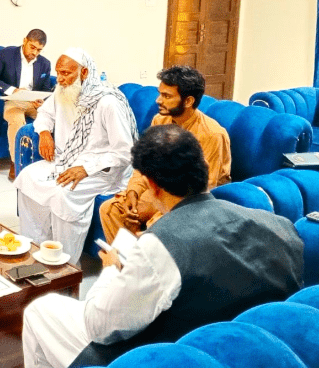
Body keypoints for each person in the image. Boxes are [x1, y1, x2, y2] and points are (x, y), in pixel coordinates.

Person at [22, 125, 303, 368]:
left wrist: (111, 271)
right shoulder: (281, 226)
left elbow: (100, 329)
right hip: (254, 351)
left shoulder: (161, 246)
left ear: (152, 185)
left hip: (172, 355)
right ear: (203, 170)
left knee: (41, 309)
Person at [14, 47, 137, 265]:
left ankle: (66, 263)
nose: (60, 79)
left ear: (84, 73)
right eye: (58, 72)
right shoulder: (61, 91)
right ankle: (36, 246)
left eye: (66, 73)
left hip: (102, 169)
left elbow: (124, 151)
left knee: (64, 193)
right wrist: (44, 133)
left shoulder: (108, 102)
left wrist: (86, 169)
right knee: (27, 177)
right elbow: (44, 113)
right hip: (67, 159)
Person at [99, 65, 231, 243]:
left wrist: (159, 208)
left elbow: (204, 185)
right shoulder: (160, 120)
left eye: (167, 96)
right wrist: (133, 192)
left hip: (189, 198)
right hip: (160, 187)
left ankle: (146, 264)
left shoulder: (212, 134)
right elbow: (146, 164)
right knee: (111, 209)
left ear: (188, 101)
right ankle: (128, 265)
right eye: (160, 93)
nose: (158, 100)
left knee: (158, 225)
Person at [0, 29, 53, 180]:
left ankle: (52, 161)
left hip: (33, 103)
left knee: (54, 117)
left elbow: (46, 89)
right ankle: (17, 163)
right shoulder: (6, 54)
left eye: (39, 50)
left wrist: (41, 100)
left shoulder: (45, 64)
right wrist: (12, 90)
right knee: (17, 120)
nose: (35, 53)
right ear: (25, 41)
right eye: (32, 47)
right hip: (13, 99)